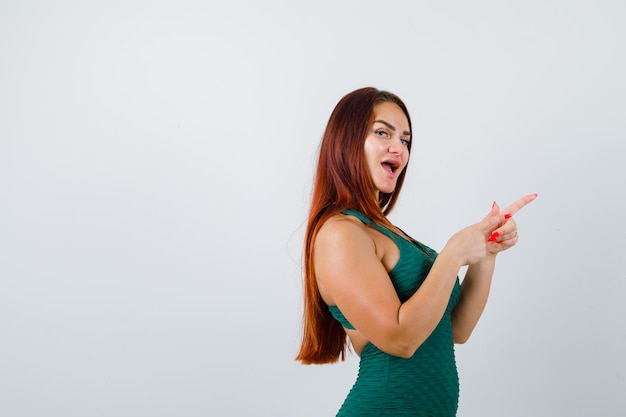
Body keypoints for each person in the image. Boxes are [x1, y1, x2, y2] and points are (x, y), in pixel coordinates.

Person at [295, 87, 537, 416]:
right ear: (347, 142)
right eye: (383, 133)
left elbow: (457, 329)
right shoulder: (340, 234)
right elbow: (400, 340)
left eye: (406, 140)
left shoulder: (385, 232)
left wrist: (486, 253)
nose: (399, 148)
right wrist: (452, 254)